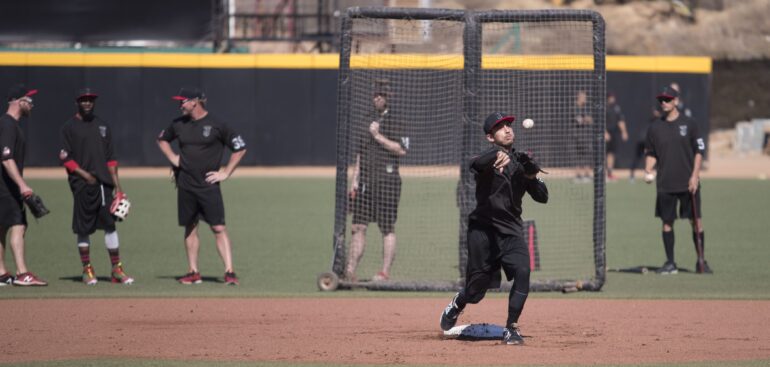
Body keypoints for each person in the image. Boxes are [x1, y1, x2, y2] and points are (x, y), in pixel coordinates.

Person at [439, 112, 548, 345]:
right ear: (490, 137)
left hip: (510, 231)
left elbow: (543, 197)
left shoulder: (521, 160)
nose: (507, 129)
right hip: (483, 232)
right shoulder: (487, 158)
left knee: (523, 271)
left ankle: (511, 328)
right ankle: (459, 302)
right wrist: (496, 155)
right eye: (500, 127)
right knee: (476, 292)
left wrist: (531, 174)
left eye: (509, 125)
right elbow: (475, 163)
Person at [157, 87, 247, 285]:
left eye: (183, 101)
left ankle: (230, 272)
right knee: (190, 226)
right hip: (186, 183)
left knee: (218, 227)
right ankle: (193, 271)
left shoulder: (217, 124)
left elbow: (240, 148)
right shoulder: (178, 124)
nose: (179, 104)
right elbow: (162, 139)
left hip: (208, 185)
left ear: (194, 102)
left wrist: (226, 172)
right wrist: (173, 158)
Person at [59, 88, 134, 285]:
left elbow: (111, 160)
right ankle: (87, 269)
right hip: (82, 186)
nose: (87, 103)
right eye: (83, 99)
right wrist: (85, 175)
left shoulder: (103, 126)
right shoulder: (69, 127)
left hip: (104, 186)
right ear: (77, 102)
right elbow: (65, 158)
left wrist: (118, 187)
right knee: (83, 229)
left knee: (110, 226)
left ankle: (116, 269)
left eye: (90, 99)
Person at [346, 80, 409, 282]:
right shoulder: (366, 119)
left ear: (389, 97)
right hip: (365, 182)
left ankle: (384, 272)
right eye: (375, 95)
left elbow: (401, 149)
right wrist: (354, 181)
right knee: (358, 226)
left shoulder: (397, 120)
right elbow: (359, 154)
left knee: (387, 227)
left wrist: (378, 135)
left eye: (381, 95)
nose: (378, 98)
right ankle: (350, 271)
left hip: (387, 182)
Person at [644, 86, 711, 274]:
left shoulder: (690, 124)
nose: (664, 103)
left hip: (688, 183)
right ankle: (670, 263)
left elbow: (699, 151)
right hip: (665, 183)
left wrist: (695, 176)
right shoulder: (654, 127)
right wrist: (648, 168)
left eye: (667, 99)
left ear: (676, 101)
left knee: (696, 221)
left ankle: (701, 261)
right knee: (667, 223)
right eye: (661, 100)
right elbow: (651, 153)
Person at [0, 84, 47, 286]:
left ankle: (1, 274)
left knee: (1, 227)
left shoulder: (7, 124)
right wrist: (22, 185)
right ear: (20, 102)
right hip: (6, 187)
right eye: (30, 101)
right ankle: (22, 273)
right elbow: (6, 158)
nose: (32, 105)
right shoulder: (9, 125)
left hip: (2, 186)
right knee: (19, 225)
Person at [629, 104, 661, 182]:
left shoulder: (656, 119)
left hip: (644, 139)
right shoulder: (659, 120)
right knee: (651, 156)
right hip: (645, 140)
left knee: (649, 157)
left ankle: (635, 175)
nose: (655, 112)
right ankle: (633, 175)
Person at [605, 92, 628, 181]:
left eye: (613, 97)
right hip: (606, 133)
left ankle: (609, 173)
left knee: (611, 153)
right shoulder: (604, 107)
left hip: (614, 133)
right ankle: (602, 174)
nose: (612, 99)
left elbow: (620, 120)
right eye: (611, 97)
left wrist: (624, 132)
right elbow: (600, 121)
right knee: (604, 154)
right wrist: (604, 132)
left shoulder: (616, 108)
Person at [572, 90, 593, 183]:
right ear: (579, 97)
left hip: (586, 135)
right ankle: (578, 175)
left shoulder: (585, 108)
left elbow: (591, 119)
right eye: (583, 97)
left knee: (587, 154)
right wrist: (585, 119)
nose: (585, 98)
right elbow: (579, 120)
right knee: (578, 155)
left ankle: (587, 174)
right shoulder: (575, 107)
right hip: (577, 135)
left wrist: (586, 119)